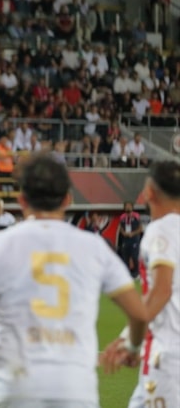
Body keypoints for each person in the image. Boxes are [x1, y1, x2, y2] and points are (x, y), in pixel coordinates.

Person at [0, 153, 148, 407]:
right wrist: (133, 347)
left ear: (22, 200)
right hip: (75, 389)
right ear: (68, 199)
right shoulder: (94, 247)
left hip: (14, 385)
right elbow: (139, 314)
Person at [100, 160, 180, 408]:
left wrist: (132, 343)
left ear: (149, 192)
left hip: (167, 356)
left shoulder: (161, 230)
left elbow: (162, 290)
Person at [117, 201, 143, 278]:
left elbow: (140, 228)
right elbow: (120, 227)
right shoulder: (122, 217)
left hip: (134, 238)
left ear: (132, 207)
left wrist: (133, 233)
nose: (128, 208)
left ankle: (137, 273)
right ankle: (126, 274)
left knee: (134, 256)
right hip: (126, 239)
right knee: (125, 256)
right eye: (126, 206)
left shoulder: (136, 216)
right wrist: (123, 233)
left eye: (129, 206)